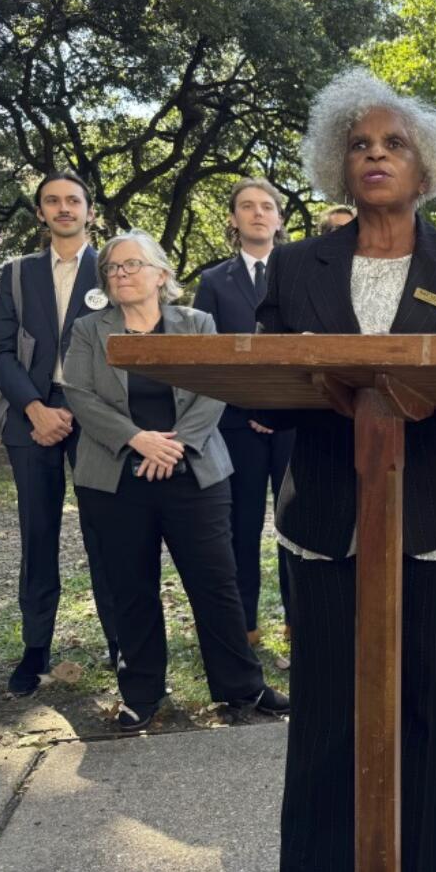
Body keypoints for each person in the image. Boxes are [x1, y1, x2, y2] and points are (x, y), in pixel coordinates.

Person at [259, 69, 436, 872]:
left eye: (394, 144)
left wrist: (416, 401)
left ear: (427, 167)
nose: (375, 154)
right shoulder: (295, 266)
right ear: (338, 166)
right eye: (359, 144)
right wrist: (332, 398)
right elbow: (266, 382)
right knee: (327, 717)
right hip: (327, 524)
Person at [63, 229, 288, 731]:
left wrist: (177, 444)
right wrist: (139, 440)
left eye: (131, 265)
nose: (120, 274)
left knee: (216, 583)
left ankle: (242, 688)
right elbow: (79, 394)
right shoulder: (87, 330)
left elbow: (213, 390)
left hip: (195, 474)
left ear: (162, 275)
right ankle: (142, 692)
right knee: (130, 586)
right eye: (113, 268)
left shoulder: (196, 323)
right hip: (117, 476)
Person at [0, 170, 117, 696]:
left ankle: (122, 644)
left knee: (106, 534)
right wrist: (36, 408)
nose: (63, 208)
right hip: (31, 418)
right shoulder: (16, 274)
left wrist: (80, 408)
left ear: (89, 210)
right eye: (52, 202)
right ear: (40, 213)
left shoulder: (113, 268)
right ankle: (35, 648)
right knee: (38, 536)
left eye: (73, 200)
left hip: (97, 419)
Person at [193, 178, 293, 648]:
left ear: (280, 218)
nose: (257, 213)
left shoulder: (303, 273)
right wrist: (251, 404)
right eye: (247, 207)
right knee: (242, 527)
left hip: (295, 421)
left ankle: (301, 622)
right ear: (233, 219)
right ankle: (245, 629)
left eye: (267, 206)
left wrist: (277, 406)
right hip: (236, 425)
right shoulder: (213, 282)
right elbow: (208, 359)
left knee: (296, 524)